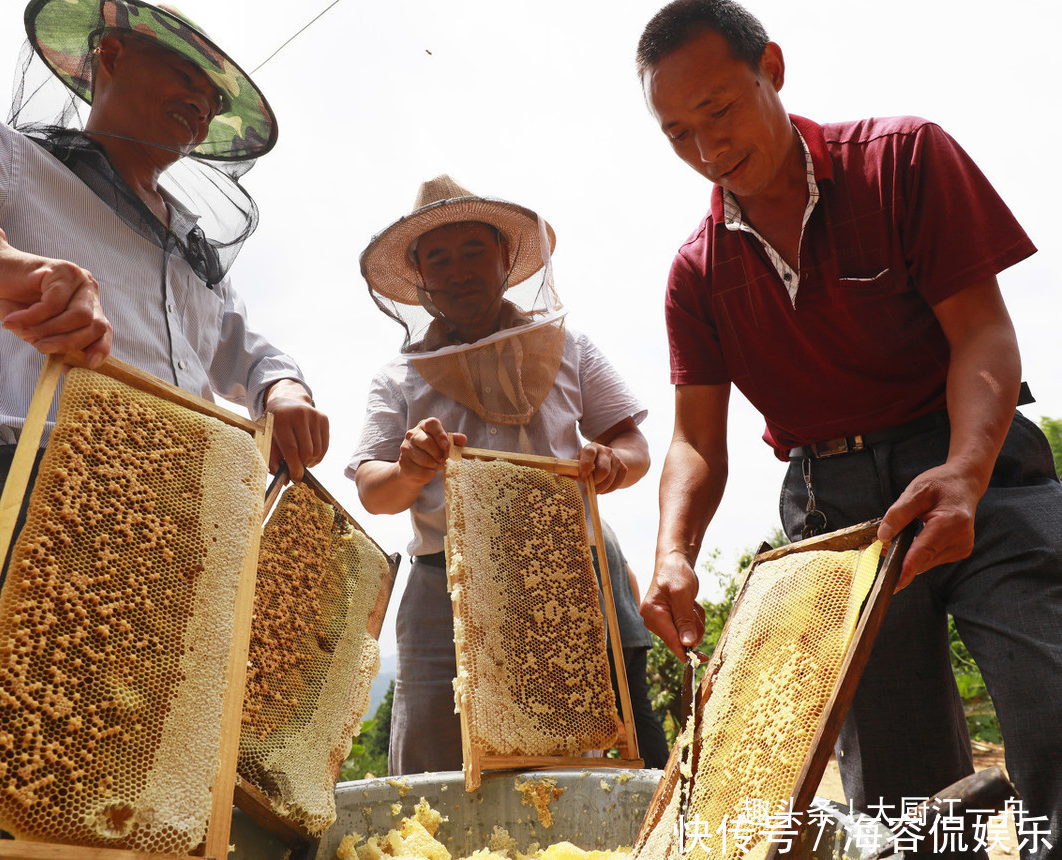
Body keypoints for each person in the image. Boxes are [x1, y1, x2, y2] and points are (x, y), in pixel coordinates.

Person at [0, 0, 328, 835]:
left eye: (213, 96)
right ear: (108, 55)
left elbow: (246, 347)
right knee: (7, 808)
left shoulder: (194, 252)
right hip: (49, 507)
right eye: (183, 72)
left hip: (183, 545)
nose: (201, 101)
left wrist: (283, 389)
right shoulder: (10, 163)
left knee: (136, 815)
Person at [634, 1, 1061, 857]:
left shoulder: (904, 159)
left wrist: (966, 473)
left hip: (971, 463)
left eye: (719, 110)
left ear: (772, 69)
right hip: (835, 516)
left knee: (1050, 693)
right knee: (901, 791)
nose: (707, 148)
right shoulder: (696, 272)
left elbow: (982, 332)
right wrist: (673, 552)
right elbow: (695, 442)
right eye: (679, 133)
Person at [347, 175, 651, 775]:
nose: (458, 271)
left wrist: (613, 463)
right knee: (433, 777)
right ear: (419, 276)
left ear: (505, 257)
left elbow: (631, 443)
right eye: (439, 259)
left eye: (473, 251)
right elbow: (373, 491)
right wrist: (409, 468)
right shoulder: (399, 377)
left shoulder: (568, 347)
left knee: (570, 767)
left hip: (559, 577)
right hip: (444, 585)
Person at [599, 523, 670, 769]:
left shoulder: (579, 519)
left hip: (607, 636)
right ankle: (663, 775)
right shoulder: (604, 526)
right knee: (639, 714)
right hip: (632, 631)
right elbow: (630, 575)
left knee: (592, 713)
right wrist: (638, 624)